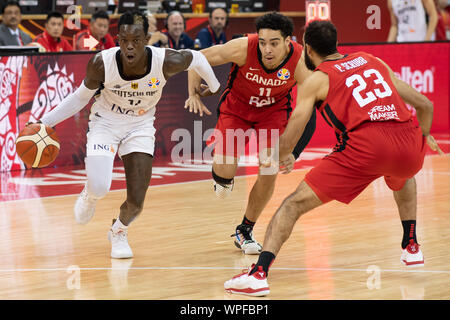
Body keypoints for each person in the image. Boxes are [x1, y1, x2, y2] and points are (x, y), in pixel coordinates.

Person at [224, 20, 443, 296]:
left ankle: (258, 274)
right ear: (336, 43)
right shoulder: (371, 60)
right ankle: (411, 245)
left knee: (291, 206)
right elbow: (425, 105)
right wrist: (423, 137)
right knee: (403, 175)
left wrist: (277, 154)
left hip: (366, 148)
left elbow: (295, 129)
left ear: (307, 49)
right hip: (409, 143)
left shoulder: (317, 79)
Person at [32, 11, 220, 259]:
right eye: (124, 40)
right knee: (100, 186)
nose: (130, 47)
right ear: (118, 39)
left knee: (137, 201)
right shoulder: (102, 62)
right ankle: (90, 194)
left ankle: (119, 230)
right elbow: (79, 98)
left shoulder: (164, 61)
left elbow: (196, 57)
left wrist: (214, 86)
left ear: (147, 39)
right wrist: (44, 123)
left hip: (140, 125)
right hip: (105, 123)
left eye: (137, 40)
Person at [184, 12, 316, 255]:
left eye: (274, 43)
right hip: (237, 108)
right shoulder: (243, 47)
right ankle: (223, 178)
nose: (267, 49)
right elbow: (197, 58)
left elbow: (310, 113)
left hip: (273, 113)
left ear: (288, 42)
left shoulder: (300, 62)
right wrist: (193, 92)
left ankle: (245, 230)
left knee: (269, 169)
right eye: (263, 42)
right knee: (224, 177)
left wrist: (293, 153)